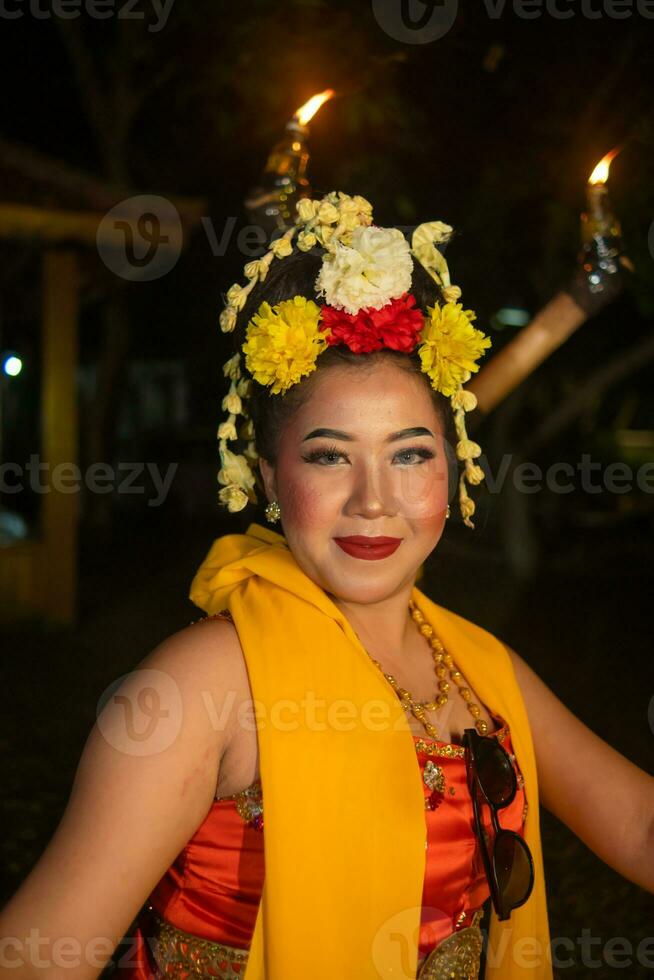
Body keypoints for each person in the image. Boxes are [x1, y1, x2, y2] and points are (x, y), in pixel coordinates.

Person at [1, 192, 652, 980]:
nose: (374, 500)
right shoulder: (202, 684)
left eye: (411, 455)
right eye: (330, 456)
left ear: (454, 474)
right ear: (270, 477)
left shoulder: (483, 670)